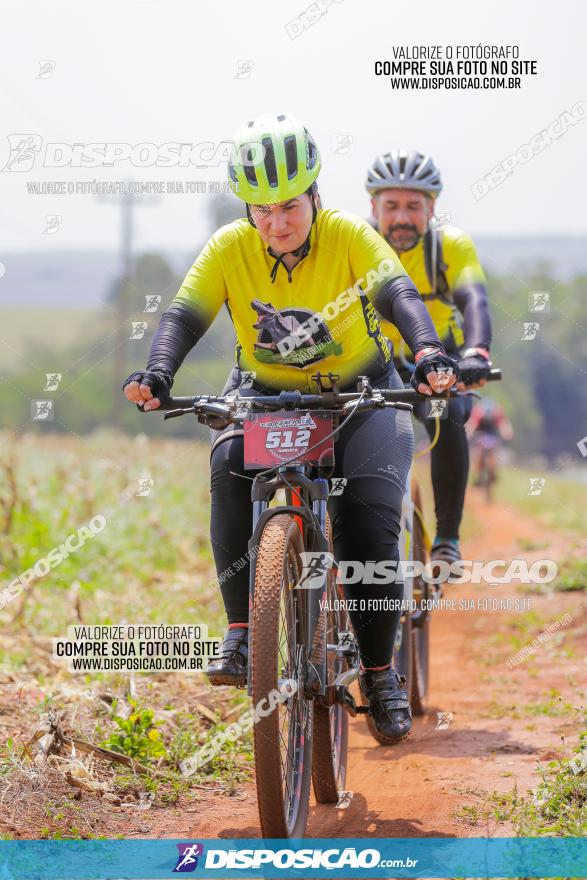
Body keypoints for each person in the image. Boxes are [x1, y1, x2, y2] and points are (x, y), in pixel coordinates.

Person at [123, 114, 457, 742]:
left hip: (359, 394)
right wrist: (158, 372)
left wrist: (430, 350)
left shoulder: (349, 235)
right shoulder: (229, 246)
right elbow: (183, 316)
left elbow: (398, 296)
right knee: (226, 467)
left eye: (291, 206)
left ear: (315, 197)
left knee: (369, 519)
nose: (276, 223)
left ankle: (382, 674)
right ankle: (241, 634)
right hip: (267, 393)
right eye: (262, 209)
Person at [366, 150, 492, 566]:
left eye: (413, 207)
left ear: (431, 208)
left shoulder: (448, 246)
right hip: (373, 361)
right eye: (392, 206)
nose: (402, 217)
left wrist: (476, 352)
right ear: (373, 207)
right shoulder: (355, 245)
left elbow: (474, 299)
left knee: (448, 413)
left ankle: (447, 540)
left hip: (441, 361)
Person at [468, 397, 514, 491]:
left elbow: (504, 425)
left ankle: (494, 472)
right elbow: (472, 425)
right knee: (477, 454)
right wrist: (468, 433)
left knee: (495, 452)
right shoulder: (478, 412)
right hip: (480, 433)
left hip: (492, 433)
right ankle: (477, 475)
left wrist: (508, 433)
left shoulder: (497, 413)